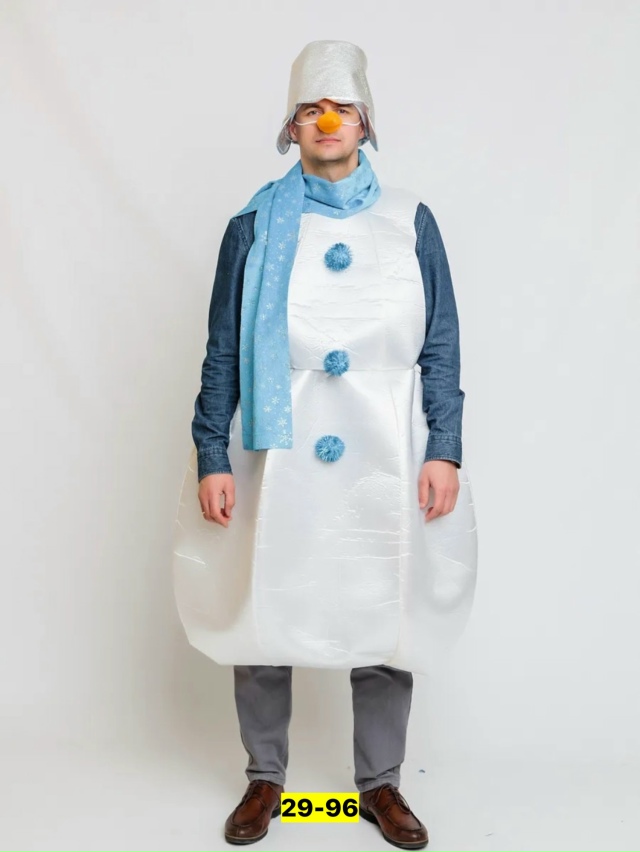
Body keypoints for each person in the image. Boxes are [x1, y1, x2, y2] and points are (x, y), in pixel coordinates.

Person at [173, 39, 478, 847]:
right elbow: (221, 348)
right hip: (278, 448)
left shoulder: (410, 220)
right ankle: (264, 777)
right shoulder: (253, 226)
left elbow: (441, 342)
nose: (329, 121)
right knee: (263, 595)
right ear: (292, 127)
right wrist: (212, 453)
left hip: (387, 444)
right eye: (312, 109)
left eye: (343, 108)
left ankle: (380, 784)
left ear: (367, 123)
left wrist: (444, 446)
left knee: (386, 598)